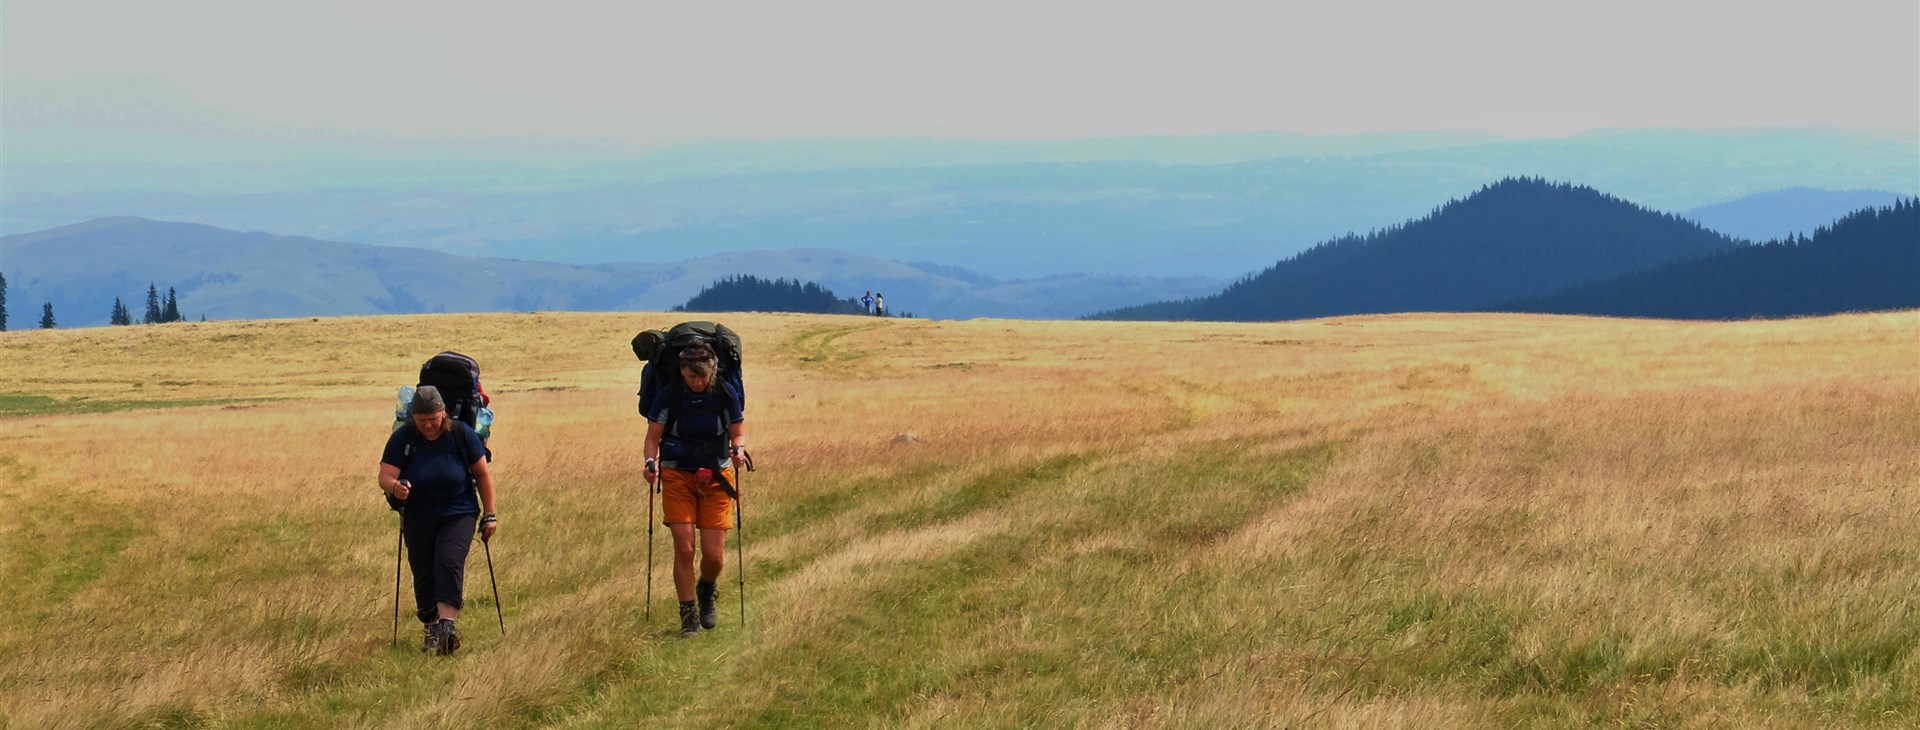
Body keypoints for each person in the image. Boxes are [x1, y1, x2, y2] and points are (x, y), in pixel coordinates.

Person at [379, 385, 498, 655]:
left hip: (459, 511)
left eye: (433, 419)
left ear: (443, 413)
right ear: (413, 418)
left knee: (448, 560)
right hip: (418, 514)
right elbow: (384, 476)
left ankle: (447, 626)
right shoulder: (404, 438)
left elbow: (482, 474)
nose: (429, 425)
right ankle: (431, 627)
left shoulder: (460, 433)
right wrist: (395, 486)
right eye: (422, 421)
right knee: (422, 570)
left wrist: (489, 514)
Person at [643, 344, 745, 637]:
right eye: (690, 376)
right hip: (677, 475)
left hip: (717, 475)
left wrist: (739, 450)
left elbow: (737, 431)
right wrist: (650, 462)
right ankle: (688, 615)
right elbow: (652, 437)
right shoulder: (669, 395)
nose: (697, 382)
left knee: (714, 557)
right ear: (681, 372)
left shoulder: (724, 392)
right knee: (684, 547)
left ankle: (707, 587)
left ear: (712, 370)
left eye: (701, 377)